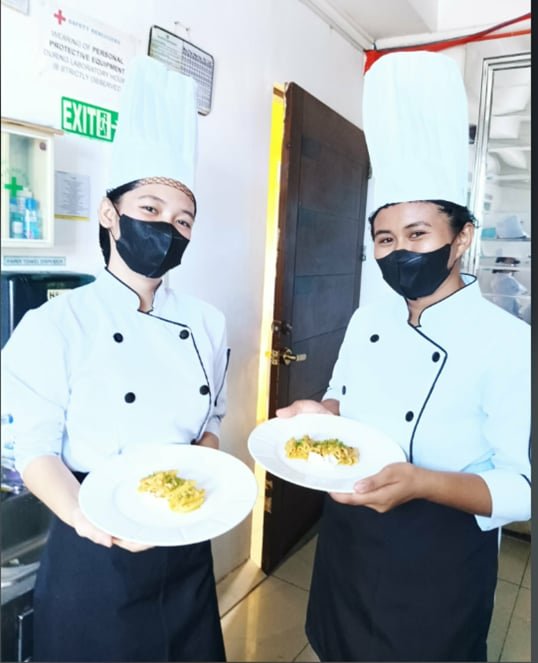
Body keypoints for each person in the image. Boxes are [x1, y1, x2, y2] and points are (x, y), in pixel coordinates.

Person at [277, 52, 530, 662]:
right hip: (349, 539)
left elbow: (522, 488)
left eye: (418, 235)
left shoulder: (508, 341)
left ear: (461, 237)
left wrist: (422, 484)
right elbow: (342, 401)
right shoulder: (369, 318)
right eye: (385, 239)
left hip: (440, 558)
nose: (399, 252)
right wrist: (320, 415)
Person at [1, 56, 229, 662]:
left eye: (182, 219)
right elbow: (36, 453)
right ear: (110, 213)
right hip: (93, 547)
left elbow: (210, 424)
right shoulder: (55, 325)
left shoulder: (207, 323)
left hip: (184, 543)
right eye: (150, 210)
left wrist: (197, 483)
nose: (167, 228)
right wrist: (95, 521)